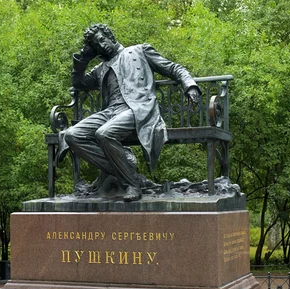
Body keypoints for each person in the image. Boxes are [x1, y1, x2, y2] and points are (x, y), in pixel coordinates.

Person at [58, 24, 200, 201]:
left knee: (104, 134)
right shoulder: (101, 69)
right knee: (72, 135)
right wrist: (83, 59)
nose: (101, 46)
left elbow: (173, 68)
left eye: (102, 39)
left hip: (137, 108)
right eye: (96, 45)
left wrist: (190, 85)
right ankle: (127, 170)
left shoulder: (140, 51)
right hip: (110, 112)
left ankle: (131, 185)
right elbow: (78, 83)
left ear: (110, 36)